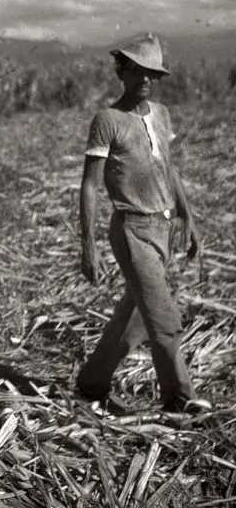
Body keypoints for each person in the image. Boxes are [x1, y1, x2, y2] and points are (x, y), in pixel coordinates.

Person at [75, 33, 208, 413]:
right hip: (132, 230)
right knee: (163, 319)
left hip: (163, 227)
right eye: (137, 71)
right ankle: (179, 399)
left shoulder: (161, 115)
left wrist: (188, 218)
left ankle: (91, 382)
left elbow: (170, 168)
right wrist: (88, 244)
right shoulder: (108, 121)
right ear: (123, 72)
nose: (146, 79)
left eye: (153, 73)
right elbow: (90, 184)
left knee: (133, 317)